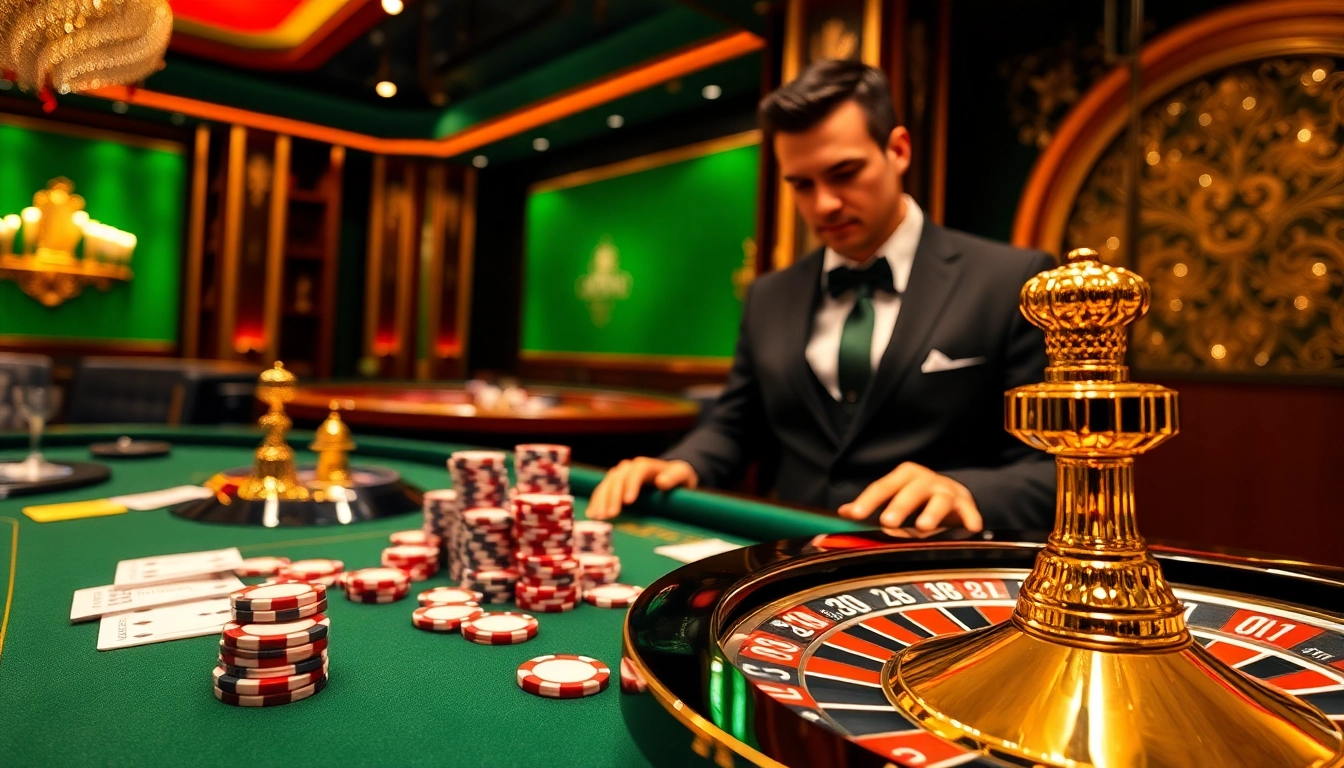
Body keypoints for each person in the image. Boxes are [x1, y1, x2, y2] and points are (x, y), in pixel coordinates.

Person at [587, 59, 1055, 532]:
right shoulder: (769, 295)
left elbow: (1055, 471)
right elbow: (734, 426)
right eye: (801, 185)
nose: (824, 204)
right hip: (792, 570)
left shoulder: (1012, 282)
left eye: (845, 173)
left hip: (940, 571)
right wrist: (681, 463)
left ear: (898, 150)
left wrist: (965, 490)